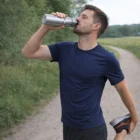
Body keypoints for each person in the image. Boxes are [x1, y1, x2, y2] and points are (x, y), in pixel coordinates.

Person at [22, 4, 138, 140]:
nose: (77, 19)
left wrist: (134, 116)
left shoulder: (107, 58)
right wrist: (46, 27)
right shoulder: (64, 49)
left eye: (84, 17)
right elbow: (29, 52)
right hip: (68, 126)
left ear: (96, 26)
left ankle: (121, 131)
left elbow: (122, 88)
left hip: (92, 128)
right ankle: (121, 130)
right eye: (79, 15)